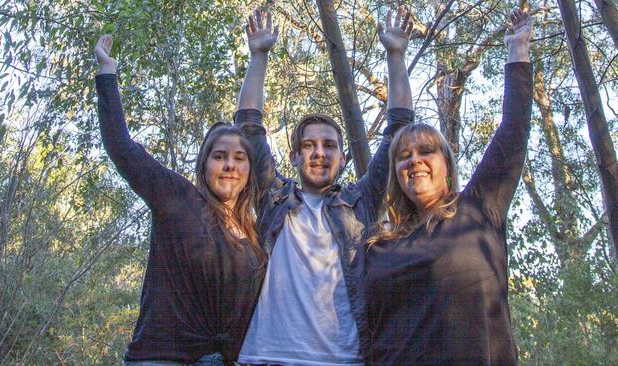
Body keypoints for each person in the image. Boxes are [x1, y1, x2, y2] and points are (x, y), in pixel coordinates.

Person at [232, 6, 415, 365]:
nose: (319, 153)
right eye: (309, 146)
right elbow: (249, 128)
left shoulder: (360, 202)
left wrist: (396, 56)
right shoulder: (273, 197)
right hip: (264, 357)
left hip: (342, 360)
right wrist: (258, 56)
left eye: (329, 145)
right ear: (295, 157)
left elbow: (398, 129)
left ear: (343, 157)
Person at [358, 9, 534, 365]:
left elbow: (513, 131)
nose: (414, 161)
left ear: (447, 168)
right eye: (403, 156)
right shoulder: (378, 245)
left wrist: (517, 50)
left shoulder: (479, 210)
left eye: (426, 151)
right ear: (395, 174)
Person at [94, 35, 267, 366]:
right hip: (163, 358)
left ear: (249, 170)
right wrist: (107, 72)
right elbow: (122, 147)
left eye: (238, 158)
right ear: (204, 167)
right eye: (219, 156)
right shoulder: (179, 200)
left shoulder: (255, 237)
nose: (229, 164)